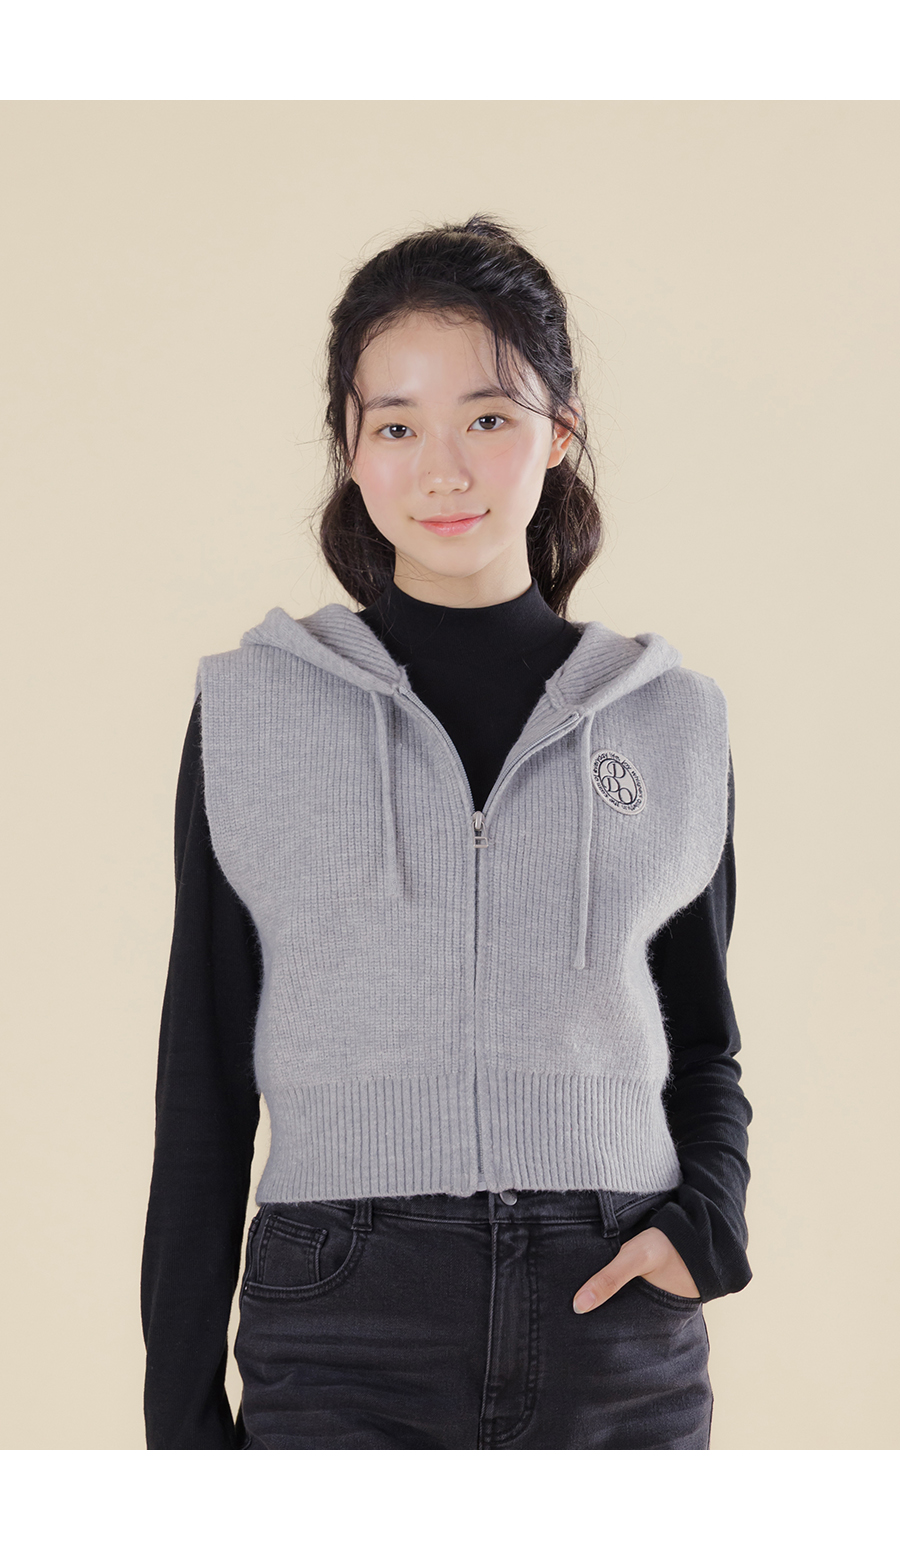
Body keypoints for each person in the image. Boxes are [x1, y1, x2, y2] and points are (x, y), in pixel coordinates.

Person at [140, 213, 752, 1451]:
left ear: (559, 431)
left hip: (614, 1318)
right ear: (350, 446)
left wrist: (710, 1224)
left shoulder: (671, 718)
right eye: (397, 425)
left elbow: (704, 1042)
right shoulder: (255, 708)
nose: (444, 470)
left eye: (487, 417)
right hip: (343, 1315)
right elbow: (201, 1081)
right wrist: (179, 1431)